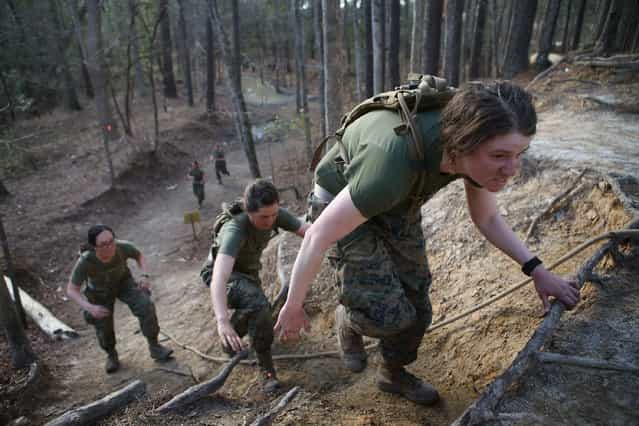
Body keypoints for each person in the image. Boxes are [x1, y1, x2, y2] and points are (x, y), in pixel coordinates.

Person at [273, 81, 580, 405]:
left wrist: (536, 270)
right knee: (384, 314)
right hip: (342, 201)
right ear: (462, 144)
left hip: (397, 203)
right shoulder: (391, 165)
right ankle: (348, 318)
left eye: (520, 154)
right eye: (500, 156)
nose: (513, 169)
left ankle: (393, 375)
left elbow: (487, 219)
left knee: (418, 310)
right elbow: (319, 235)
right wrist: (293, 306)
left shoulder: (472, 153)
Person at [210, 179, 309, 393]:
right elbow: (219, 277)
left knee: (258, 310)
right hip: (224, 275)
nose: (270, 221)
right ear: (248, 210)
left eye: (274, 215)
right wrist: (222, 321)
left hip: (248, 274)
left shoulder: (273, 214)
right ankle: (266, 371)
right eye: (264, 217)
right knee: (258, 304)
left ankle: (230, 341)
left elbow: (309, 232)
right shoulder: (234, 228)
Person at [67, 225, 173, 374]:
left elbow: (139, 256)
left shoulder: (122, 247)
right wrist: (90, 308)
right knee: (103, 324)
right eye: (103, 244)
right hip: (99, 293)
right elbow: (72, 290)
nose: (110, 246)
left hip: (123, 282)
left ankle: (155, 347)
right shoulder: (86, 261)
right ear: (93, 247)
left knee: (145, 305)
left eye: (111, 241)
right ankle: (111, 354)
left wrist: (144, 275)